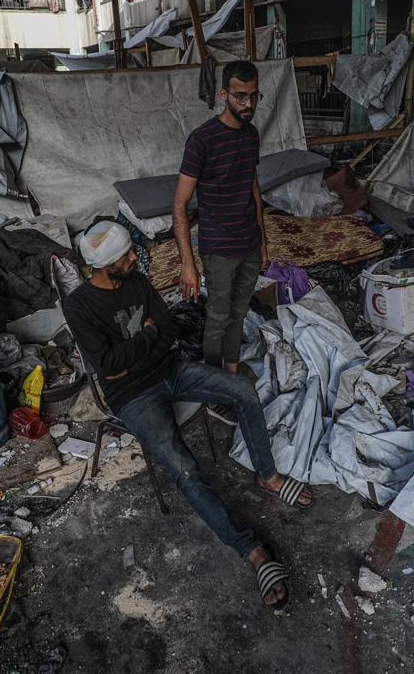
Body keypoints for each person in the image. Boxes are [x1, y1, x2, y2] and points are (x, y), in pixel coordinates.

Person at [63, 221, 312, 609]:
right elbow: (110, 368)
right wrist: (146, 339)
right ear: (105, 265)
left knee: (242, 389)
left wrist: (143, 345)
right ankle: (253, 552)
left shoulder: (137, 282)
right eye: (127, 255)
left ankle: (267, 475)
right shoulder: (78, 305)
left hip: (169, 370)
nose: (135, 258)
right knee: (184, 469)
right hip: (131, 396)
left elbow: (169, 328)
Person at [173, 60, 267, 381]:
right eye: (241, 97)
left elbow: (253, 187)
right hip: (219, 248)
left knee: (240, 312)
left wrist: (263, 242)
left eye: (254, 96)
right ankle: (215, 383)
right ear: (224, 94)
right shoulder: (202, 140)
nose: (248, 104)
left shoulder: (251, 134)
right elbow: (180, 204)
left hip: (249, 244)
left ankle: (230, 370)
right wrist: (188, 263)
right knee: (217, 318)